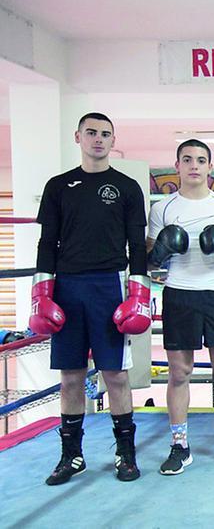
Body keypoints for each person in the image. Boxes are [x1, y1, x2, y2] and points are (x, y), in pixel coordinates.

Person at [34, 112, 150, 485]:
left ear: (113, 140)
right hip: (67, 287)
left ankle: (125, 455)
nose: (98, 139)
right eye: (91, 133)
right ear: (78, 137)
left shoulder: (127, 187)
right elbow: (46, 242)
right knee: (70, 375)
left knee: (115, 374)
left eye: (105, 134)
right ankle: (71, 456)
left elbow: (137, 244)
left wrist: (139, 292)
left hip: (110, 285)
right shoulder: (58, 186)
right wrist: (41, 292)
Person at [147, 139, 214, 474]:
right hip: (178, 293)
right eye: (188, 159)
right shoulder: (162, 209)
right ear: (177, 165)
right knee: (179, 372)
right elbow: (150, 261)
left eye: (201, 160)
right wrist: (162, 249)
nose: (194, 165)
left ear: (210, 166)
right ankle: (179, 446)